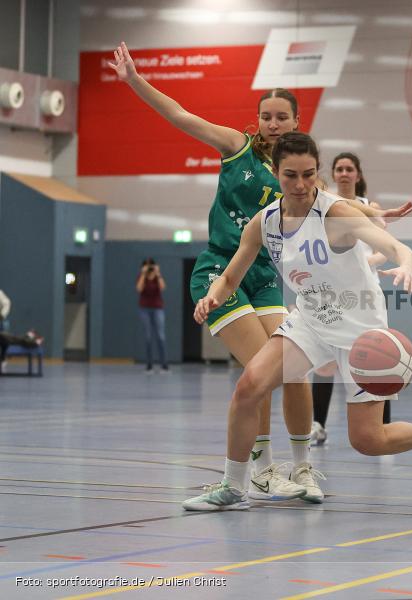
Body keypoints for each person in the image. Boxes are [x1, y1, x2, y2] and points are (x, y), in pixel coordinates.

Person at [183, 132, 412, 511]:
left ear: (317, 172)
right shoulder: (265, 223)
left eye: (308, 174)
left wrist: (406, 264)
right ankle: (234, 486)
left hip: (361, 333)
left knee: (367, 440)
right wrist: (213, 296)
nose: (300, 184)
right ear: (276, 173)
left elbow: (394, 246)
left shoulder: (336, 213)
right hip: (311, 322)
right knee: (249, 387)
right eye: (290, 175)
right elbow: (231, 276)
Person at [109, 42, 314, 502]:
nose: (273, 123)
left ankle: (302, 468)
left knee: (293, 367)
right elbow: (181, 115)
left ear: (296, 122)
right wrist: (135, 80)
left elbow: (336, 210)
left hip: (264, 276)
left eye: (282, 117)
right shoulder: (237, 148)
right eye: (266, 116)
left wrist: (378, 219)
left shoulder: (298, 174)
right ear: (258, 120)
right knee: (261, 369)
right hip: (221, 269)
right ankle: (261, 470)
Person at [310, 152, 391, 445]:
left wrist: (364, 263)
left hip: (365, 295)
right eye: (339, 169)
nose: (344, 173)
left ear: (357, 174)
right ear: (333, 174)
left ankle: (385, 426)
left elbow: (384, 250)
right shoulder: (324, 205)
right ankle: (318, 425)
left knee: (378, 359)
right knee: (324, 363)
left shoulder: (371, 208)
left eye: (349, 169)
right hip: (332, 295)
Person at [136, 258, 169, 372]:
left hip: (157, 308)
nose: (149, 268)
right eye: (147, 265)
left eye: (151, 265)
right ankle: (149, 365)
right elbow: (139, 288)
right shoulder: (142, 276)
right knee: (148, 337)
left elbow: (163, 287)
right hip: (145, 309)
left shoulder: (157, 276)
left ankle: (164, 364)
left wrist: (158, 273)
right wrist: (143, 274)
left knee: (161, 336)